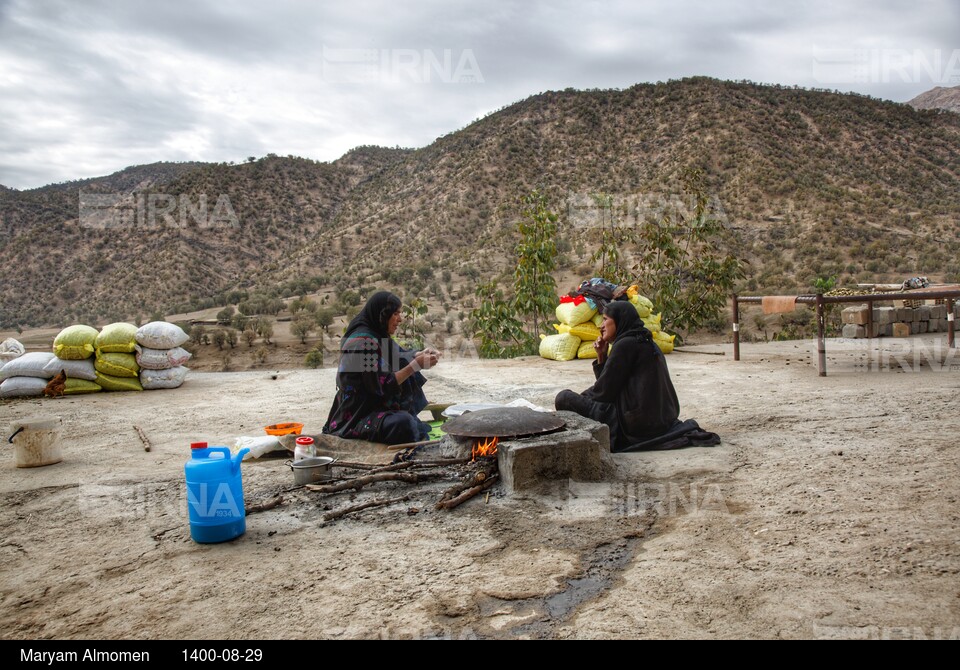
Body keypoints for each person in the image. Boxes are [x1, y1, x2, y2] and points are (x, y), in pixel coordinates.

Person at [555, 300, 680, 451]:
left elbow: (604, 393)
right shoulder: (644, 340)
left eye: (606, 319)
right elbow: (609, 385)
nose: (601, 326)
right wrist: (601, 355)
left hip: (635, 425)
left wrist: (586, 397)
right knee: (587, 394)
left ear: (620, 321)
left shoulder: (624, 345)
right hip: (661, 420)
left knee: (564, 398)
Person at [323, 291, 441, 445]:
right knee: (404, 424)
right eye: (396, 313)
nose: (400, 319)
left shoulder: (376, 335)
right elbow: (383, 385)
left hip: (375, 406)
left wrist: (421, 354)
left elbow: (400, 355)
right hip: (357, 415)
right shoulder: (363, 343)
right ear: (382, 315)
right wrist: (416, 365)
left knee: (410, 422)